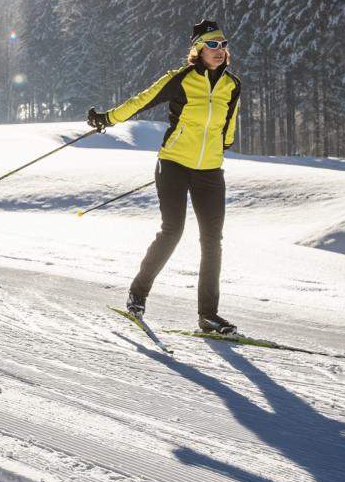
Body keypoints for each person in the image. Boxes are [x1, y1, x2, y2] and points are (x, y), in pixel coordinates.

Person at [88, 20, 242, 335]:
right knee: (173, 231)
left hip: (210, 170)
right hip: (173, 164)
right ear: (198, 49)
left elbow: (229, 125)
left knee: (212, 241)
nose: (219, 50)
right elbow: (141, 101)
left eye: (223, 44)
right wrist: (107, 118)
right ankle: (138, 293)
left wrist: (221, 146)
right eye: (212, 44)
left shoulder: (232, 85)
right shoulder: (180, 79)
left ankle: (208, 316)